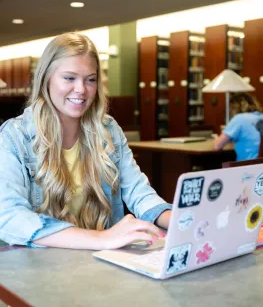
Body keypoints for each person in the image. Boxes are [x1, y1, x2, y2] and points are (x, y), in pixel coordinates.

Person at [0, 32, 172, 250]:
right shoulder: (13, 137)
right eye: (69, 78)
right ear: (46, 79)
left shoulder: (108, 129)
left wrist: (180, 221)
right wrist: (100, 239)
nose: (81, 89)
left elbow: (139, 192)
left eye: (90, 79)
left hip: (100, 263)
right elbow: (9, 216)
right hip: (41, 268)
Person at [213, 92, 263, 161]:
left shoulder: (239, 118)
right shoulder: (261, 116)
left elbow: (217, 146)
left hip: (247, 166)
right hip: (259, 166)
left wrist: (216, 139)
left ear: (234, 107)